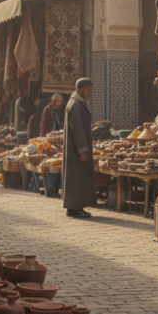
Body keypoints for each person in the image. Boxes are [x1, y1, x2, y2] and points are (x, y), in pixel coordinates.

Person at [62, 78, 96, 218]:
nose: (90, 92)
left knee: (77, 177)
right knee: (77, 177)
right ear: (80, 89)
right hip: (76, 149)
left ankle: (76, 206)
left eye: (91, 90)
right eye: (88, 89)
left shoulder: (77, 103)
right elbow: (78, 129)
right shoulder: (76, 105)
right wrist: (82, 149)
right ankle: (74, 207)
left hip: (74, 148)